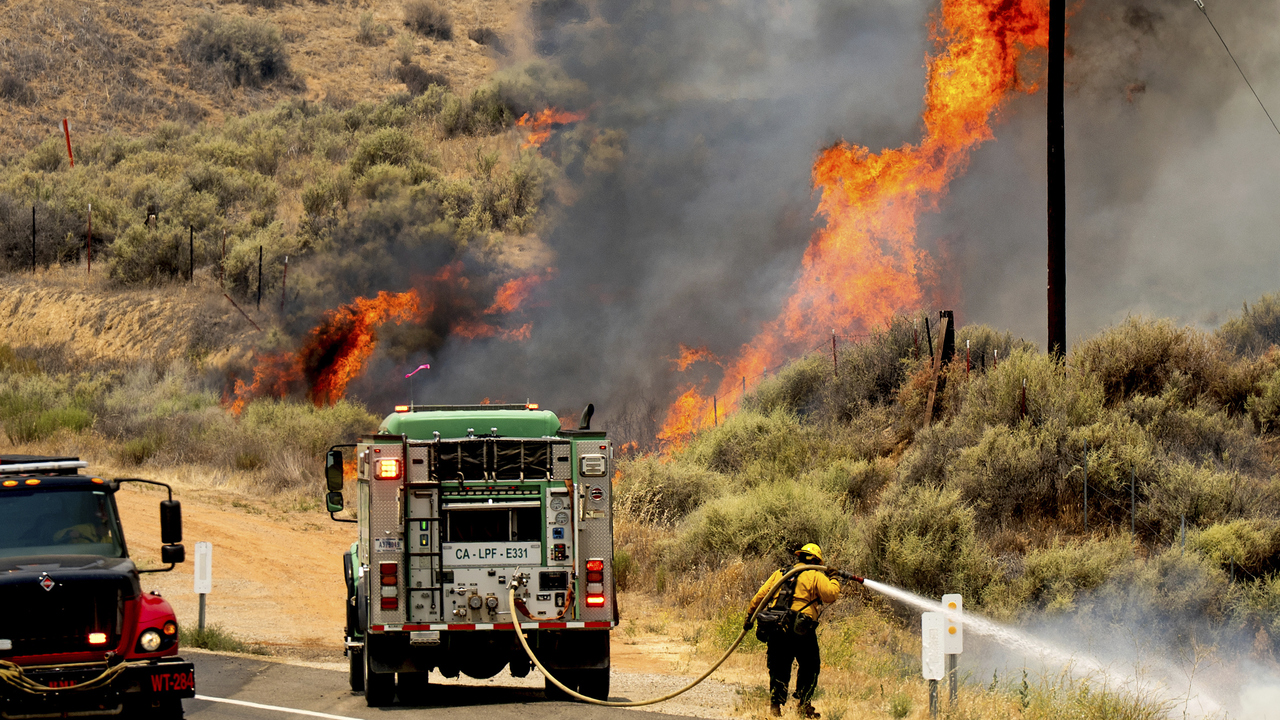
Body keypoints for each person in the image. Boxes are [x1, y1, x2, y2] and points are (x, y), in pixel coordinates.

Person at [744, 543, 842, 718]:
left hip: (777, 627)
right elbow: (831, 595)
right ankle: (804, 705)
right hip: (801, 629)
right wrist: (833, 578)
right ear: (816, 561)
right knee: (810, 666)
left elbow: (760, 596)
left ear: (799, 557)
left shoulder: (781, 573)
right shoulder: (815, 575)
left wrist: (750, 616)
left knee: (778, 667)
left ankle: (775, 708)